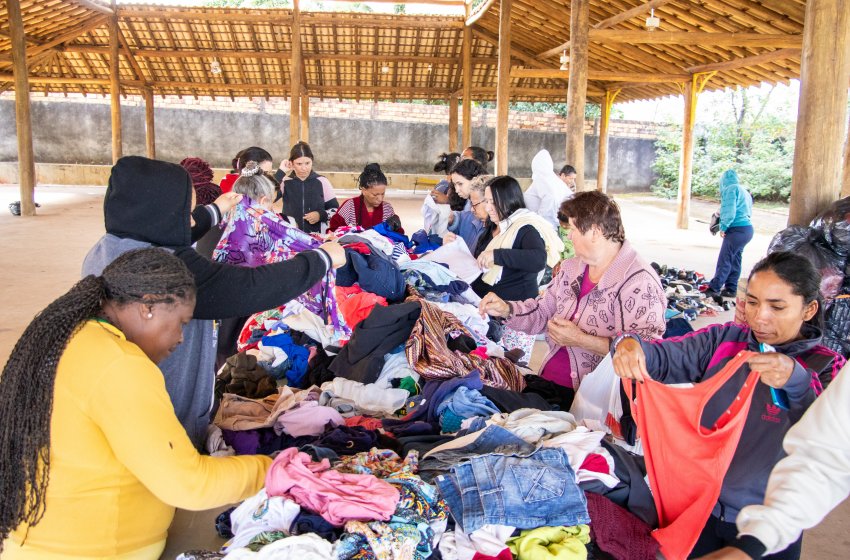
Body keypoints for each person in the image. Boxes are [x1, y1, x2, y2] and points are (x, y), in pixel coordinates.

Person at [0, 248, 271, 559]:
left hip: (40, 543)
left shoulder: (68, 338)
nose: (181, 338)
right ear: (149, 307)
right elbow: (187, 485)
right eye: (181, 322)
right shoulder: (119, 365)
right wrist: (271, 469)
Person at [82, 156, 346, 449]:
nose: (192, 218)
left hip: (118, 406)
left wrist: (215, 210)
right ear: (164, 212)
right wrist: (320, 259)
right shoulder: (169, 272)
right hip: (163, 425)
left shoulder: (110, 247)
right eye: (187, 210)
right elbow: (250, 286)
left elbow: (173, 231)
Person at [611, 251, 846, 560]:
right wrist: (629, 345)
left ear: (809, 309)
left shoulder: (828, 368)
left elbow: (827, 446)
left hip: (767, 527)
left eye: (777, 306)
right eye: (751, 302)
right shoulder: (726, 342)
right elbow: (660, 358)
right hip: (697, 511)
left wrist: (796, 381)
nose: (760, 316)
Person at [480, 191, 665, 387]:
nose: (569, 235)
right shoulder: (571, 268)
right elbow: (543, 313)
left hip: (598, 400)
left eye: (574, 229)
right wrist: (507, 309)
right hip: (551, 383)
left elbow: (644, 350)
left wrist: (581, 340)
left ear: (595, 232)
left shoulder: (639, 281)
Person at [694, 361, 850, 560]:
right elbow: (824, 455)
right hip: (715, 513)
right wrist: (755, 542)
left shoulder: (826, 363)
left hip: (759, 512)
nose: (761, 326)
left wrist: (799, 384)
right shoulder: (726, 343)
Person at [472, 176, 564, 359]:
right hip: (490, 313)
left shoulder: (525, 227)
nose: (488, 207)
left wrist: (497, 255)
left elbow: (538, 259)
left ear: (508, 200)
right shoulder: (495, 227)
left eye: (493, 202)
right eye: (487, 201)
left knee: (514, 370)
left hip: (516, 316)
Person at [707, 169, 754, 299]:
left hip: (736, 229)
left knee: (725, 259)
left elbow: (729, 211)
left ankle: (714, 288)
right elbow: (748, 211)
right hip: (747, 229)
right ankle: (731, 289)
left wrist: (723, 227)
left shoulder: (730, 189)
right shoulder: (744, 191)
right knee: (735, 259)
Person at [275, 141, 339, 233]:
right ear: (291, 163)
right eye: (299, 164)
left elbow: (335, 209)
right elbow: (267, 194)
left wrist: (320, 215)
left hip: (317, 237)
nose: (304, 168)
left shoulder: (322, 181)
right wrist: (281, 172)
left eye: (307, 163)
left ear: (312, 161)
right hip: (290, 235)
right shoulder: (285, 182)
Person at [329, 163, 397, 231]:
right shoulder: (350, 206)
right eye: (375, 194)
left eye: (382, 194)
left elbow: (398, 234)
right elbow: (333, 231)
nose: (380, 199)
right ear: (364, 190)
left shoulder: (387, 209)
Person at [524, 149, 574, 230]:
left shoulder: (542, 180)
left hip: (544, 226)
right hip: (553, 224)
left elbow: (550, 198)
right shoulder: (555, 181)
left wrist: (540, 220)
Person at [444, 174, 492, 252]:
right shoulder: (474, 218)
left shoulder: (498, 231)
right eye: (471, 204)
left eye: (475, 204)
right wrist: (452, 219)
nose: (472, 209)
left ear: (489, 201)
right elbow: (461, 218)